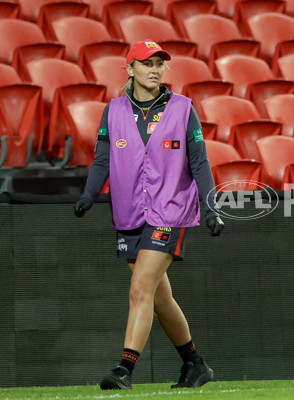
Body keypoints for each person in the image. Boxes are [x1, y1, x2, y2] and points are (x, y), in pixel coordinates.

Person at [73, 40, 224, 390]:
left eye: (159, 63)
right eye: (146, 63)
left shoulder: (183, 108)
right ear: (130, 69)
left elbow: (199, 162)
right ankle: (194, 364)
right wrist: (88, 194)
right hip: (128, 213)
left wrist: (211, 205)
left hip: (170, 210)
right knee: (158, 296)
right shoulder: (113, 110)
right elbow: (101, 160)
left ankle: (124, 369)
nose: (155, 69)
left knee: (141, 288)